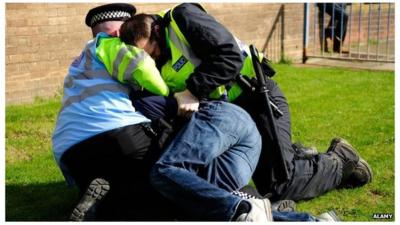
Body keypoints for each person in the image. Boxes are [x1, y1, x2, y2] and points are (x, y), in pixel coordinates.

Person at [119, 3, 372, 203]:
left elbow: (229, 56)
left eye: (152, 52)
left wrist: (192, 91)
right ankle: (296, 152)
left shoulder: (183, 17)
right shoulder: (151, 63)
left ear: (155, 30)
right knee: (253, 182)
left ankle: (341, 161)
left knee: (279, 185)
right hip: (231, 115)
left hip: (258, 97)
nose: (154, 60)